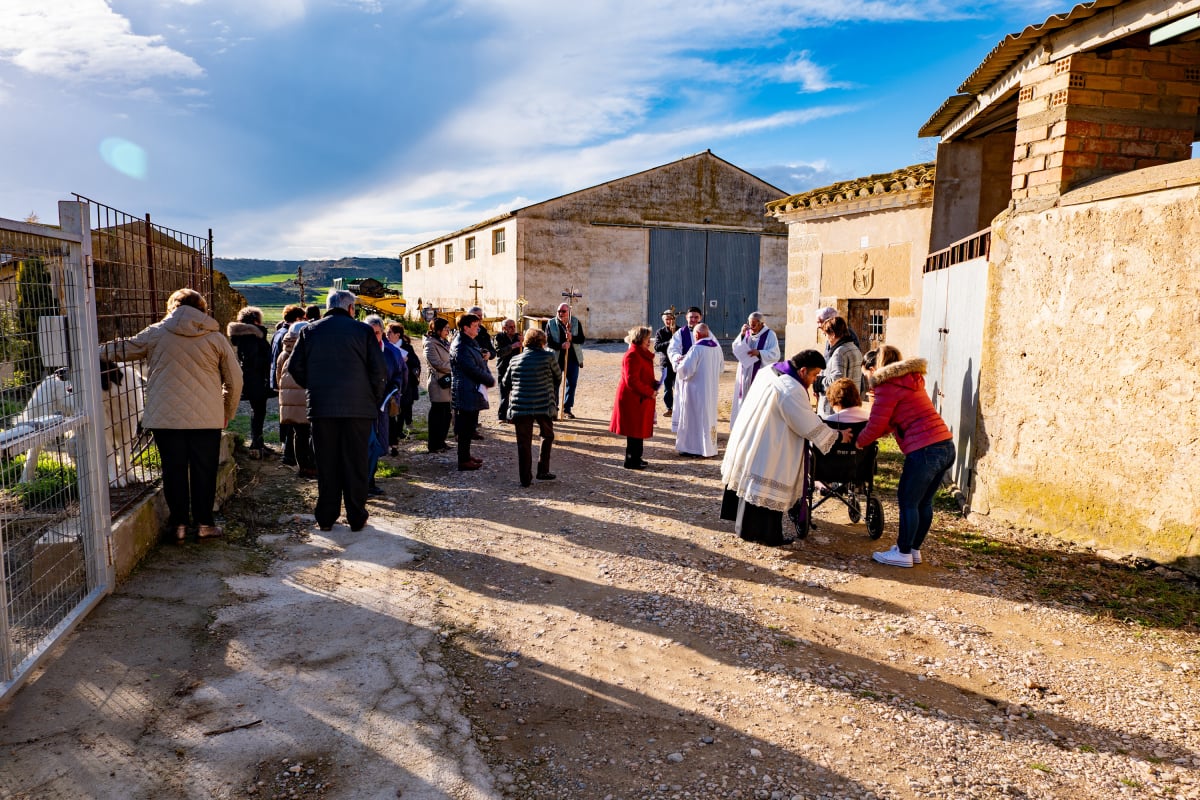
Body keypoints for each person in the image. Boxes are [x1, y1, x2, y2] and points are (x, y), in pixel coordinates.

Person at [100, 288, 241, 541]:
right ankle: (205, 524)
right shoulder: (216, 338)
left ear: (171, 308)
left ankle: (178, 525)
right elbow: (235, 380)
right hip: (206, 418)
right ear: (203, 309)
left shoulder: (155, 333)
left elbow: (121, 349)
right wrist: (226, 410)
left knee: (173, 470)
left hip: (165, 418)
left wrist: (87, 349)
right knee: (204, 471)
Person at [287, 290, 386, 533]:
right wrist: (372, 398)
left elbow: (294, 367)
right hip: (359, 409)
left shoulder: (310, 330)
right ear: (351, 309)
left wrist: (315, 387)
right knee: (356, 463)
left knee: (327, 462)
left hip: (322, 408)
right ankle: (356, 516)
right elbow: (378, 371)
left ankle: (326, 517)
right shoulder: (363, 331)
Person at [720, 350, 839, 546]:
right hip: (771, 445)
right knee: (767, 486)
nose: (814, 379)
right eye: (814, 374)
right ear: (802, 371)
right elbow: (806, 424)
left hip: (753, 438)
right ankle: (766, 535)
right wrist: (838, 436)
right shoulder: (791, 388)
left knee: (753, 484)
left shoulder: (768, 371)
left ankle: (748, 529)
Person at [849, 346, 955, 568]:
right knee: (924, 503)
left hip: (924, 450)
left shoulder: (886, 386)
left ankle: (904, 552)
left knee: (908, 501)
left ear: (875, 367)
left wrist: (860, 441)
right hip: (944, 444)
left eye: (867, 372)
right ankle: (913, 550)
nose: (867, 378)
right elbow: (895, 419)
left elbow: (877, 424)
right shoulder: (910, 381)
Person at [502, 328, 560, 486]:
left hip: (520, 406)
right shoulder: (549, 357)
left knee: (523, 442)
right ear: (543, 342)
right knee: (547, 436)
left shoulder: (515, 360)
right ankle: (543, 470)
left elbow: (505, 382)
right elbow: (558, 376)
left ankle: (525, 478)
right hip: (544, 404)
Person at [365, 315, 407, 497]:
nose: (374, 336)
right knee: (364, 445)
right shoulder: (358, 350)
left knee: (378, 444)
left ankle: (370, 480)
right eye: (369, 332)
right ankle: (364, 482)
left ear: (382, 332)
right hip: (361, 406)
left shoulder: (391, 353)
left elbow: (399, 375)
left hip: (381, 405)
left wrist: (393, 392)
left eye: (377, 332)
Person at [226, 306, 272, 459]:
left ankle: (258, 442)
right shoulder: (252, 337)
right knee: (259, 411)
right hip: (256, 379)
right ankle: (256, 444)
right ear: (254, 320)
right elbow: (252, 360)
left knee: (258, 411)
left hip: (252, 378)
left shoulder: (245, 336)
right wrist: (266, 362)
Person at [450, 313, 495, 471]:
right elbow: (470, 368)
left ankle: (467, 455)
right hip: (465, 390)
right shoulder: (461, 345)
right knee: (464, 427)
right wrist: (488, 379)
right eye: (475, 326)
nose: (478, 328)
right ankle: (463, 460)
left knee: (469, 426)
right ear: (465, 327)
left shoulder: (469, 342)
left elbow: (475, 361)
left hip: (471, 390)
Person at [610, 325, 658, 470]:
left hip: (639, 398)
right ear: (640, 339)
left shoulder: (641, 353)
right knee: (634, 430)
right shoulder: (632, 355)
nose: (649, 341)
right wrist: (649, 391)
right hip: (633, 398)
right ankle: (631, 460)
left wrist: (654, 384)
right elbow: (632, 380)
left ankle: (637, 457)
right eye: (647, 339)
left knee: (639, 429)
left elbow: (643, 376)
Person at [672, 322, 724, 457]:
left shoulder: (696, 348)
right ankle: (709, 448)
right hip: (710, 390)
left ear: (697, 334)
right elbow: (721, 368)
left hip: (695, 390)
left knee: (694, 417)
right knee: (708, 417)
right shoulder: (717, 347)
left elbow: (686, 370)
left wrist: (679, 364)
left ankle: (693, 448)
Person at [275, 320, 317, 478]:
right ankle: (312, 466)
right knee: (313, 434)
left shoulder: (283, 353)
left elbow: (278, 377)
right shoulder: (308, 351)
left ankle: (303, 468)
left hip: (289, 401)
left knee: (299, 434)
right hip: (305, 398)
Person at [730, 311, 780, 428]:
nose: (751, 327)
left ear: (762, 324)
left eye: (754, 324)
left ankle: (756, 426)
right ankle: (742, 425)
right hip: (744, 371)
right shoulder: (746, 332)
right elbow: (735, 346)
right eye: (750, 323)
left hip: (760, 372)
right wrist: (742, 335)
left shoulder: (770, 335)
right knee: (743, 399)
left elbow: (775, 354)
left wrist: (759, 353)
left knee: (757, 399)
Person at [270, 305, 306, 466]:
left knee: (293, 429)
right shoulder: (304, 352)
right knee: (303, 433)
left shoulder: (284, 352)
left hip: (287, 397)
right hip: (302, 397)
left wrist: (282, 391)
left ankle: (289, 456)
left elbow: (279, 375)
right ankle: (304, 464)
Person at [817, 316, 863, 417]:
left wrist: (819, 381)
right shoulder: (854, 348)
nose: (827, 339)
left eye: (826, 335)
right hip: (850, 407)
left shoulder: (839, 352)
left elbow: (837, 382)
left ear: (832, 334)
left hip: (835, 410)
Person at [545, 302, 585, 418]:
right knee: (555, 384)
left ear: (569, 312)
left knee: (571, 384)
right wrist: (561, 346)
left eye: (563, 311)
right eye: (559, 311)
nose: (561, 313)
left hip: (572, 358)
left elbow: (582, 339)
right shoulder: (551, 323)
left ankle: (567, 409)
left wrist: (572, 338)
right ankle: (554, 409)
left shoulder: (575, 322)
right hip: (556, 359)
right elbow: (548, 342)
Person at [386, 322, 420, 445]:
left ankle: (399, 431)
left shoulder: (407, 348)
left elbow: (416, 364)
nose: (387, 334)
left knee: (403, 408)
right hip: (392, 383)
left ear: (397, 335)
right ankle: (392, 433)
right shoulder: (386, 346)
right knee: (390, 409)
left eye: (389, 332)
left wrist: (408, 360)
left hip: (406, 384)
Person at [423, 317, 453, 453]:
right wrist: (455, 366)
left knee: (447, 414)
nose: (448, 330)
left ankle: (441, 441)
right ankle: (434, 444)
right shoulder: (430, 344)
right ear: (437, 329)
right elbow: (436, 363)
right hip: (438, 382)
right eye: (445, 328)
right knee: (437, 415)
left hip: (447, 382)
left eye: (448, 328)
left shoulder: (445, 342)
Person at [493, 318, 523, 423]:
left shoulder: (518, 337)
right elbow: (499, 352)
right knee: (504, 394)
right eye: (511, 327)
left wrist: (524, 343)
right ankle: (502, 416)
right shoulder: (499, 337)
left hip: (516, 368)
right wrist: (512, 346)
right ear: (504, 328)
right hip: (504, 367)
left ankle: (513, 415)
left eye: (514, 326)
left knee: (516, 394)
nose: (513, 328)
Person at [652, 310, 678, 417]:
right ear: (664, 320)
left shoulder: (680, 331)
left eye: (671, 319)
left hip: (678, 364)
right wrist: (670, 342)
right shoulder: (660, 332)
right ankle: (669, 408)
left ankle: (680, 408)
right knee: (667, 389)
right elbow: (657, 347)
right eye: (667, 319)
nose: (669, 321)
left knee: (679, 387)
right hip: (666, 364)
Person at [666, 306, 704, 374]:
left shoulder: (707, 332)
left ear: (700, 318)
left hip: (702, 370)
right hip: (686, 370)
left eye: (696, 317)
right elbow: (673, 349)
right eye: (691, 317)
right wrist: (678, 358)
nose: (693, 319)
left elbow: (714, 349)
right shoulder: (680, 333)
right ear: (686, 317)